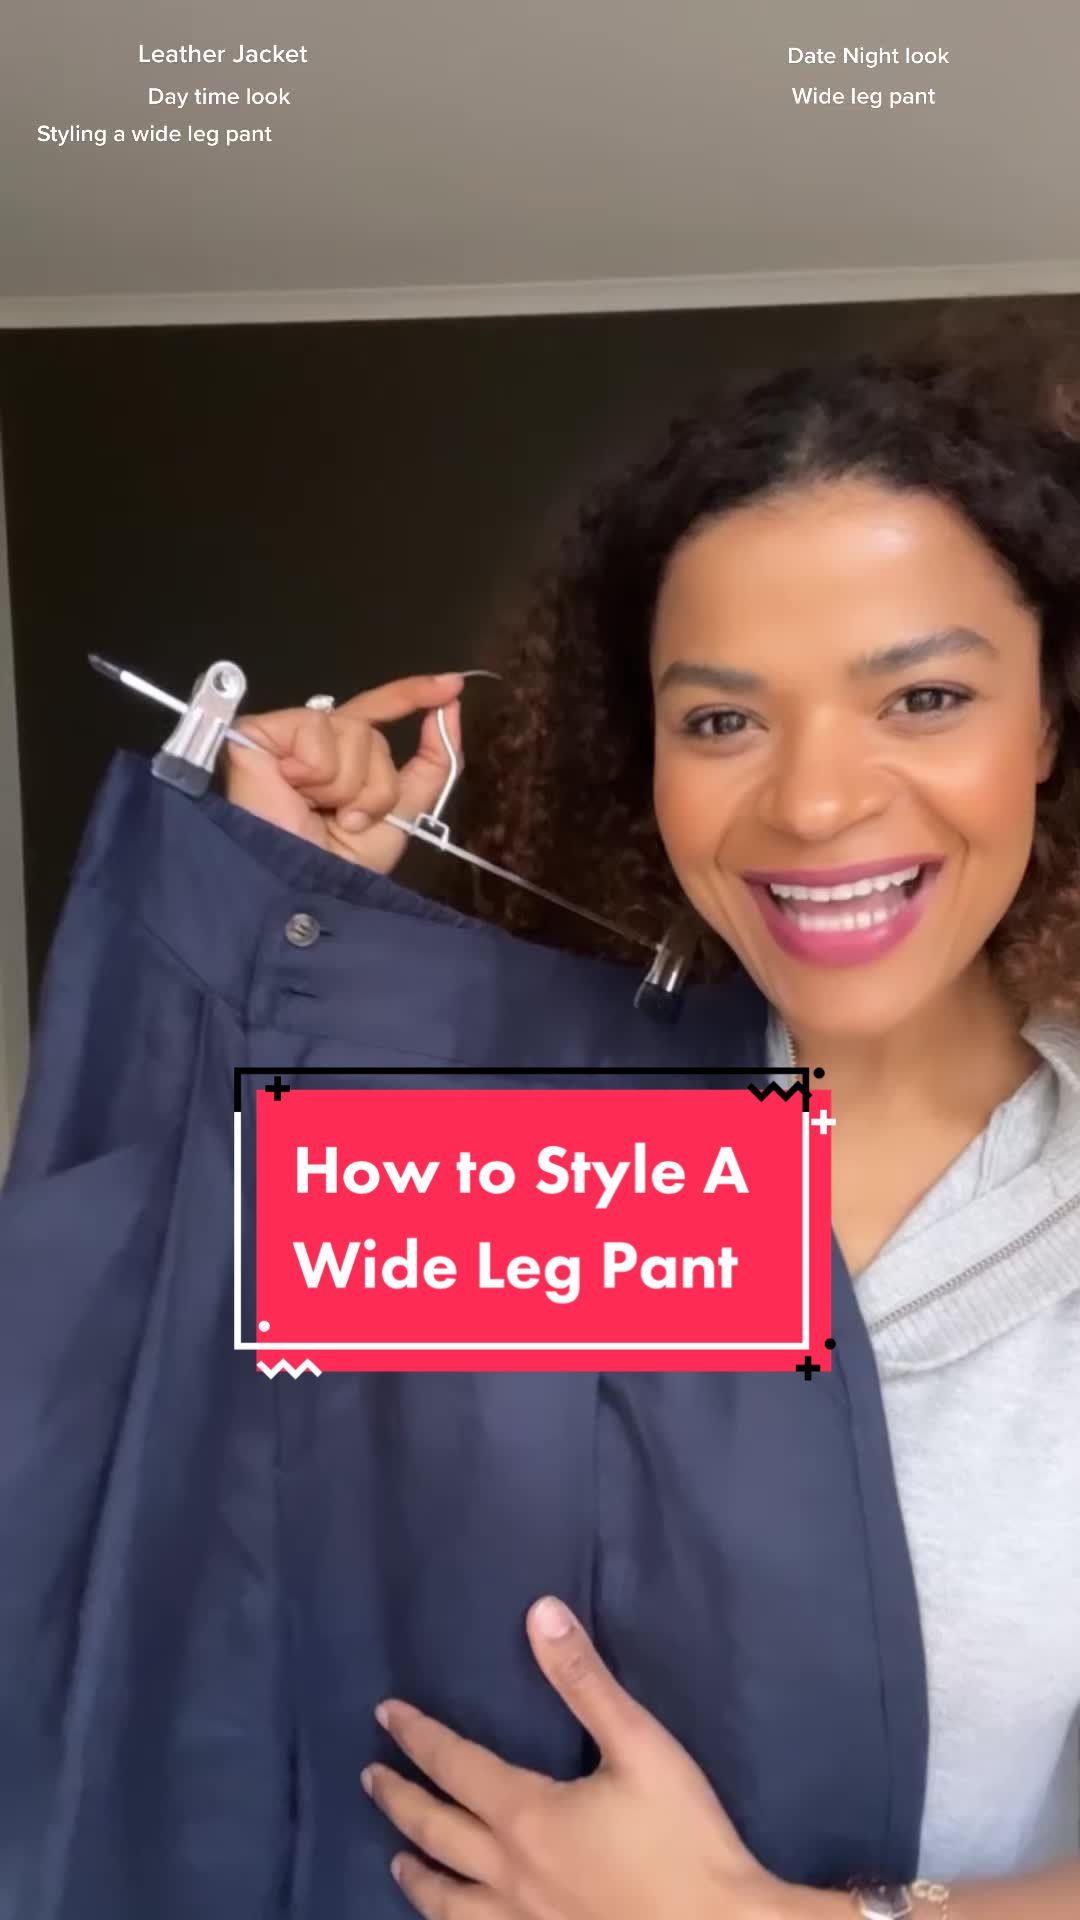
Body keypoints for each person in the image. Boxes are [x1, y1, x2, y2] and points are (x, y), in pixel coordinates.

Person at [223, 309, 1080, 1918]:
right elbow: (206, 1504)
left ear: (1047, 717)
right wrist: (292, 939)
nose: (814, 802)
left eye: (922, 698)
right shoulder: (538, 1155)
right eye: (723, 720)